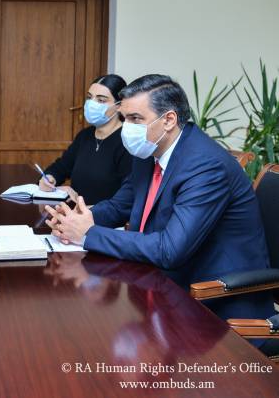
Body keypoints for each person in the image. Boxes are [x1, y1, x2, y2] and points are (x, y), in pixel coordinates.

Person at [45, 74, 274, 323]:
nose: (127, 128)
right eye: (125, 118)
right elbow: (120, 206)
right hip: (162, 285)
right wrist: (74, 220)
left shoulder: (205, 166)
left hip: (214, 304)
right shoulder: (149, 151)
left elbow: (170, 249)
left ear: (169, 120)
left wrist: (88, 233)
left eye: (136, 119)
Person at [39, 74, 132, 205]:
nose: (92, 103)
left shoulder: (128, 141)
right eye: (89, 97)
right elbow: (61, 167)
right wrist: (50, 178)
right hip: (75, 212)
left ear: (119, 105)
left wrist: (89, 211)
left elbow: (127, 197)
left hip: (104, 216)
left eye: (101, 100)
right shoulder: (85, 136)